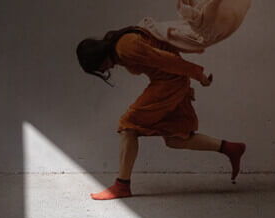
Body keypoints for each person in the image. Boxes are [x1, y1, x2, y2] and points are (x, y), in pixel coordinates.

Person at [76, 28, 246, 200]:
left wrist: (198, 75)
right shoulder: (120, 46)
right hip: (174, 82)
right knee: (176, 138)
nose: (105, 70)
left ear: (100, 59)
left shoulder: (125, 47)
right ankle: (230, 148)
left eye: (99, 67)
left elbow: (167, 60)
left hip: (170, 82)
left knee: (128, 125)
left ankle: (122, 186)